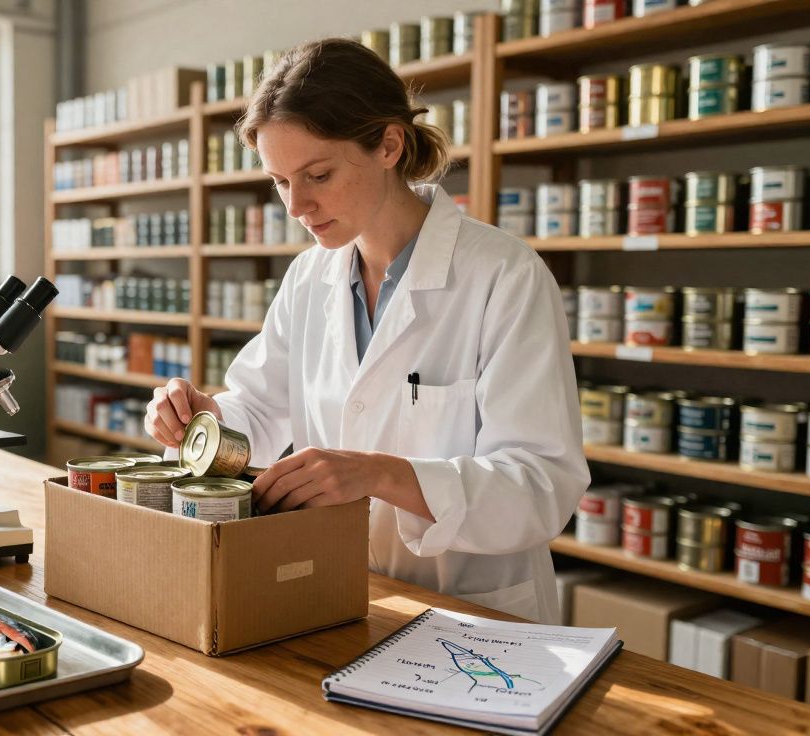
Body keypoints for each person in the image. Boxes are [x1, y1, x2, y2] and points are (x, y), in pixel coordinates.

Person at [144, 38, 588, 624]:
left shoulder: (503, 275)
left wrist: (381, 474)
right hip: (338, 590)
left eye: (318, 174)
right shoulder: (310, 277)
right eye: (279, 182)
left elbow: (540, 485)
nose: (297, 205)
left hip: (476, 613)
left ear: (388, 143)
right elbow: (260, 405)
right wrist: (207, 419)